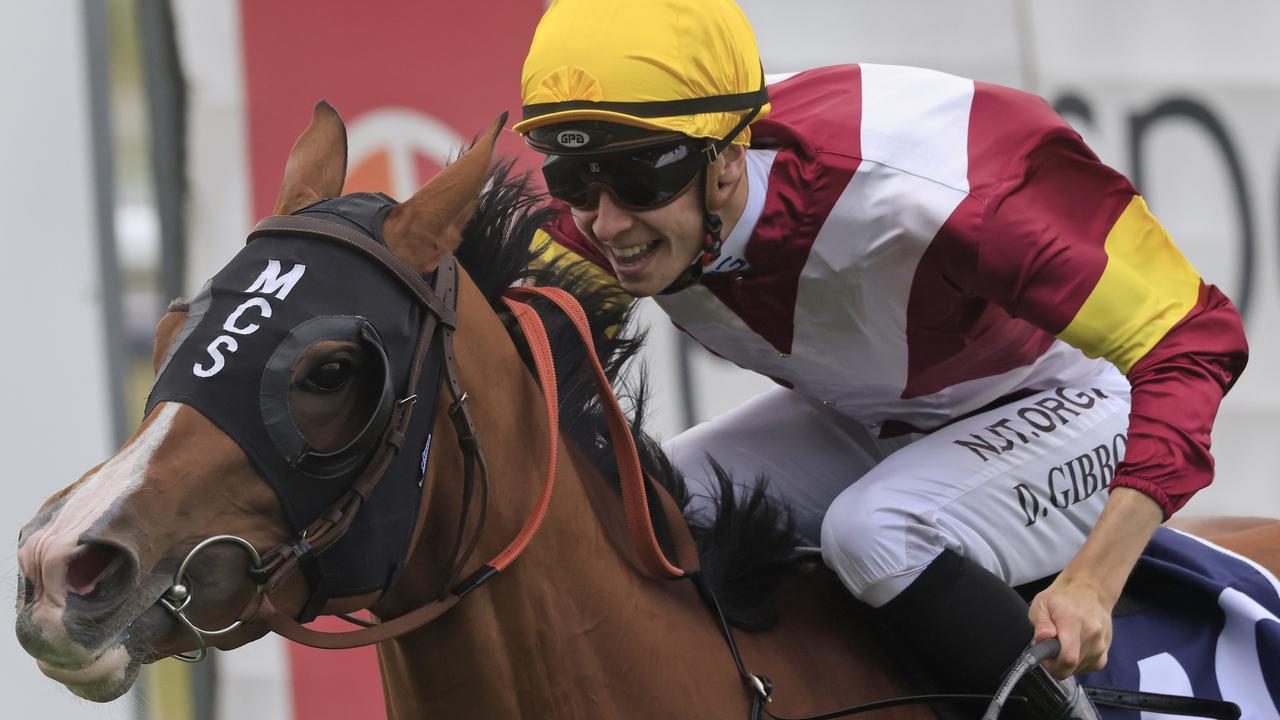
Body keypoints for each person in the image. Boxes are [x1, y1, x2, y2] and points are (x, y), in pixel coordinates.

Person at [513, 0, 1249, 716]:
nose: (606, 222)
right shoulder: (602, 223)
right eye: (573, 179)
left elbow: (1195, 335)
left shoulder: (939, 183)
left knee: (877, 532)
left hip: (1077, 403)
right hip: (883, 417)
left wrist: (1095, 581)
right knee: (659, 506)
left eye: (638, 179)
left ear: (729, 158)